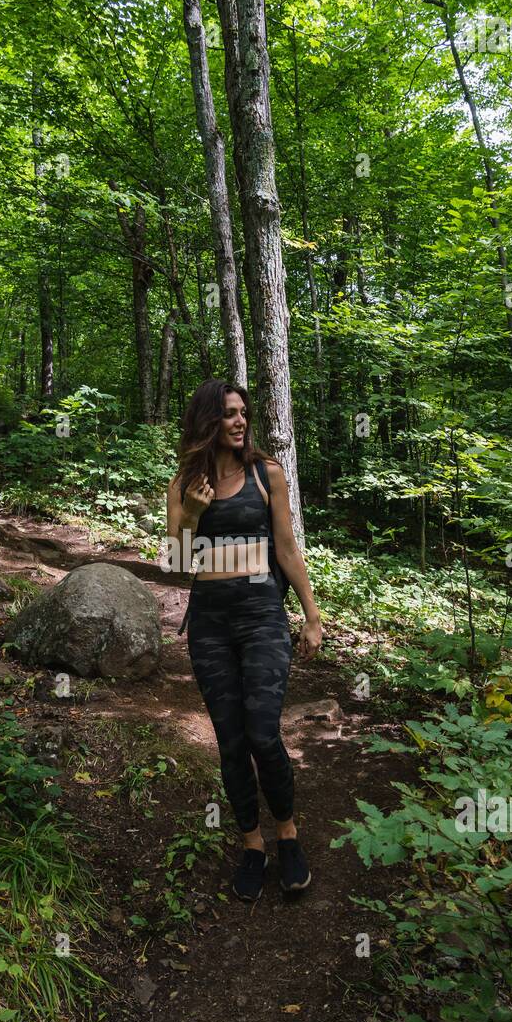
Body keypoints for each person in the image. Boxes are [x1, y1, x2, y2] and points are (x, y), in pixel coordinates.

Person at [165, 378, 323, 902]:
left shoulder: (266, 474)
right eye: (230, 414)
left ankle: (288, 834)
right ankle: (252, 845)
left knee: (262, 733)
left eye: (244, 413)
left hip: (262, 620)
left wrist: (312, 616)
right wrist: (189, 512)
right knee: (230, 742)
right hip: (209, 625)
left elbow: (286, 549)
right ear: (208, 421)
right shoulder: (185, 481)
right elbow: (176, 564)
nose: (240, 422)